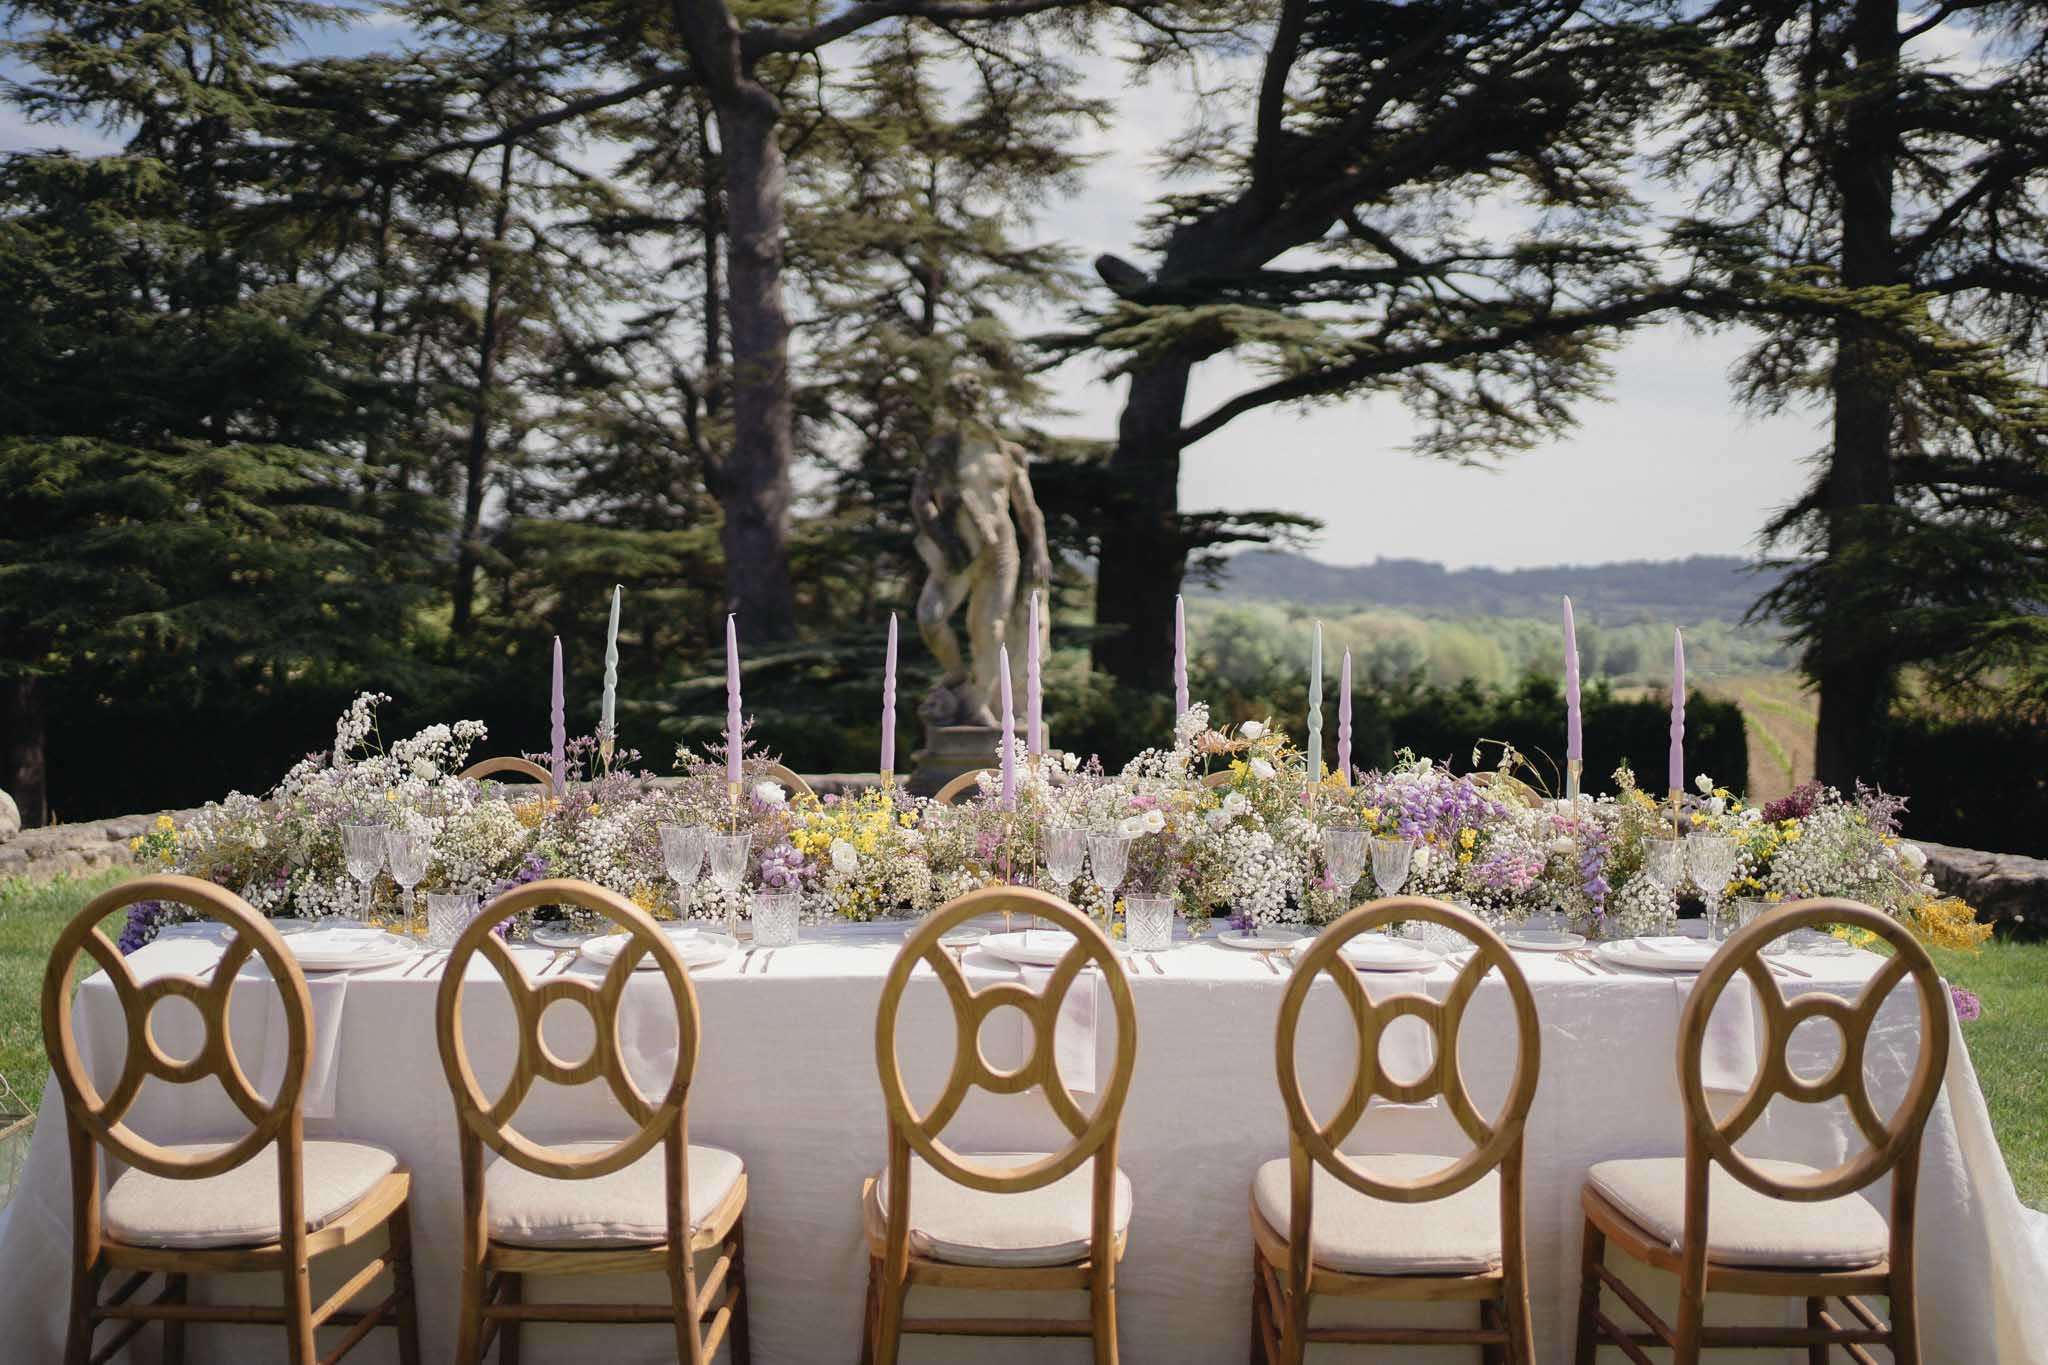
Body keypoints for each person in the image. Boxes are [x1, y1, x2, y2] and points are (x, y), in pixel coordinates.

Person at [911, 372, 1051, 727]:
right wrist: (944, 538)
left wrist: (1038, 549)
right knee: (930, 617)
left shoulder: (1005, 453)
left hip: (1001, 548)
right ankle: (958, 678)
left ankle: (980, 705)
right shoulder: (942, 452)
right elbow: (921, 501)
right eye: (959, 402)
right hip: (958, 549)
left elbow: (1027, 508)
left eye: (971, 401)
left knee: (991, 628)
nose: (967, 408)